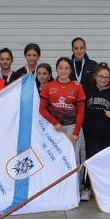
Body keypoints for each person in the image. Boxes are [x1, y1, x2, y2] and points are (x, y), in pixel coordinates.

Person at [39, 57, 86, 195]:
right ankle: (55, 190)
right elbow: (41, 109)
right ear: (57, 69)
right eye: (61, 68)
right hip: (55, 129)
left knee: (74, 159)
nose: (63, 71)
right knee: (54, 157)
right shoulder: (48, 86)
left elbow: (81, 111)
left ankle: (74, 190)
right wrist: (55, 122)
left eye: (66, 68)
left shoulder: (77, 87)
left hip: (72, 127)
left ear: (71, 70)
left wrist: (76, 131)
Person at [81, 63, 110, 200]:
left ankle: (102, 188)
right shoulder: (87, 89)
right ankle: (86, 188)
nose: (103, 79)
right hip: (91, 133)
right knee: (90, 159)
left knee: (105, 160)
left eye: (106, 77)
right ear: (95, 76)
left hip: (107, 133)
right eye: (101, 76)